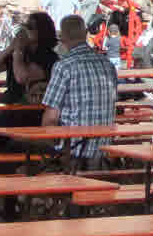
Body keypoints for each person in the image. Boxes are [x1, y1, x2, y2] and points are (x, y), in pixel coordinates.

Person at [0, 11, 59, 164]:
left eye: (30, 27)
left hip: (31, 113)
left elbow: (21, 77)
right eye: (25, 26)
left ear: (42, 31)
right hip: (10, 110)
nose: (24, 30)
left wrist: (17, 52)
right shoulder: (19, 53)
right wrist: (10, 48)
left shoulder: (49, 57)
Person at [42, 13, 119, 170]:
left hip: (73, 150)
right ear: (85, 34)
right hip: (104, 149)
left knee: (20, 147)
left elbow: (50, 117)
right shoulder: (108, 65)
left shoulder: (64, 66)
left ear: (62, 38)